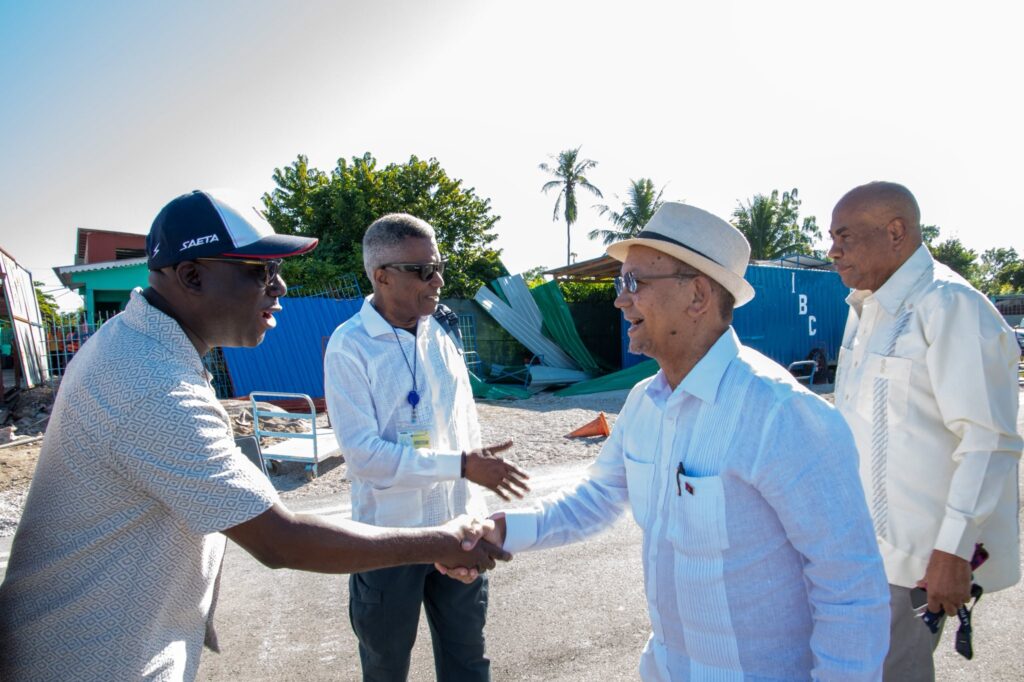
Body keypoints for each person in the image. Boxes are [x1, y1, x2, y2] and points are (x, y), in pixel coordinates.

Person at [0, 191, 506, 681]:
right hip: (99, 662)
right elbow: (280, 540)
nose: (280, 286)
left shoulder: (139, 349)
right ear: (192, 276)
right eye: (261, 271)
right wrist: (444, 540)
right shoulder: (153, 385)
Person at [442, 202, 891, 679]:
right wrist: (501, 530)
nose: (620, 300)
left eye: (634, 283)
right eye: (621, 284)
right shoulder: (642, 404)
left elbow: (851, 589)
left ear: (697, 295)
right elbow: (596, 498)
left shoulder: (782, 414)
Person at [828, 181, 1022, 680]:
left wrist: (953, 550)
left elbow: (988, 441)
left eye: (845, 237)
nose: (833, 252)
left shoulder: (950, 306)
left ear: (896, 232)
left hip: (916, 560)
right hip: (860, 550)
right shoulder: (864, 310)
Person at [324, 213, 530, 681]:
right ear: (381, 276)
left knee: (467, 661)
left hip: (458, 528)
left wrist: (473, 500)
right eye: (422, 270)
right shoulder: (349, 347)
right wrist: (460, 465)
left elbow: (464, 426)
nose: (437, 280)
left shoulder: (441, 334)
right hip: (388, 540)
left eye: (438, 267)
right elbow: (364, 457)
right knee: (385, 665)